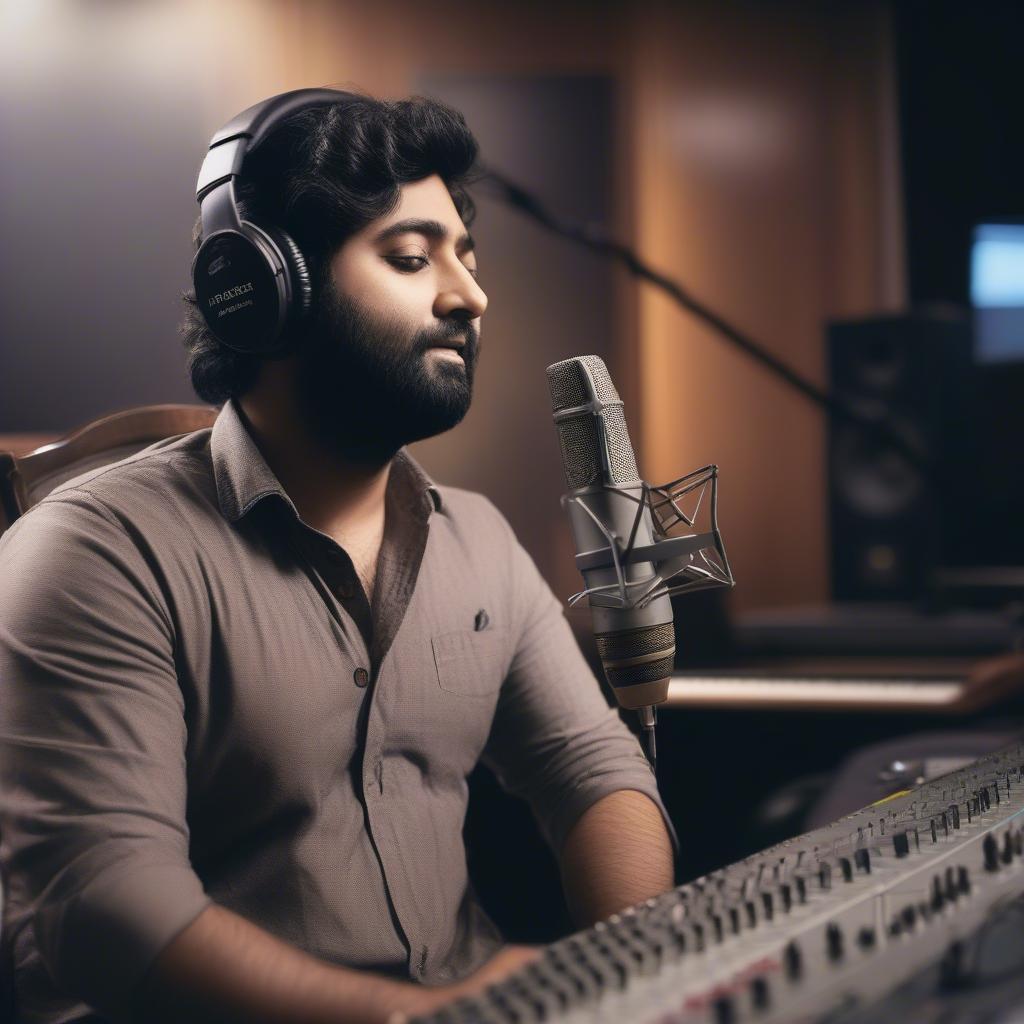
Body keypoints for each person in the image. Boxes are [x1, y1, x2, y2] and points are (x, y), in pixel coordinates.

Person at [0, 90, 676, 1024]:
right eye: (410, 257)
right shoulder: (94, 556)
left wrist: (649, 975)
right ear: (267, 289)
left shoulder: (478, 539)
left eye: (465, 258)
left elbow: (595, 771)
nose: (470, 297)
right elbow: (105, 902)